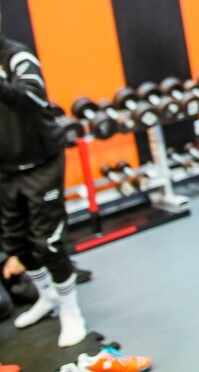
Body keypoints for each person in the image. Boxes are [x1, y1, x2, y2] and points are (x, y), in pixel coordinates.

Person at [0, 21, 87, 347]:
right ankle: (47, 296)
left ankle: (71, 311)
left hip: (41, 163)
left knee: (47, 242)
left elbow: (33, 97)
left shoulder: (17, 57)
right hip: (6, 167)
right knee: (15, 241)